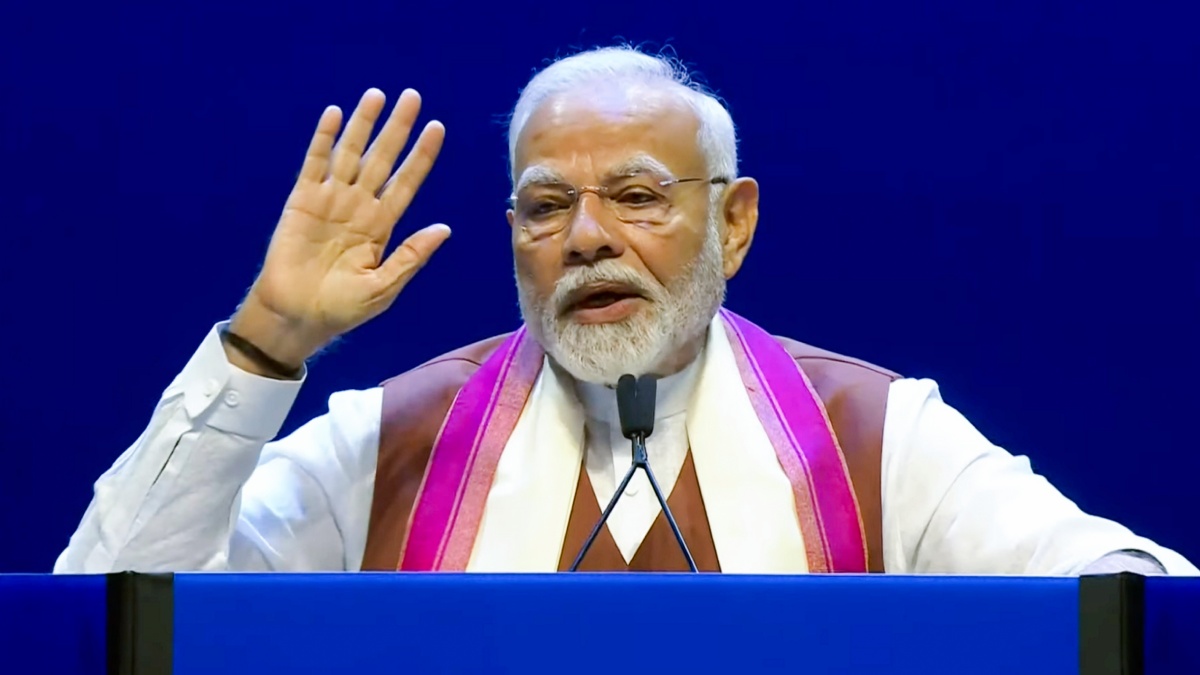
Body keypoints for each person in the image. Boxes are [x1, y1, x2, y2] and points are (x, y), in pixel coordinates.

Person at [54, 45, 1196, 576]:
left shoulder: (875, 436)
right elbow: (115, 612)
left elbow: (1128, 598)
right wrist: (265, 343)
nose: (587, 238)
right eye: (546, 206)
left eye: (639, 197)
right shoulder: (390, 442)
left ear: (734, 223)